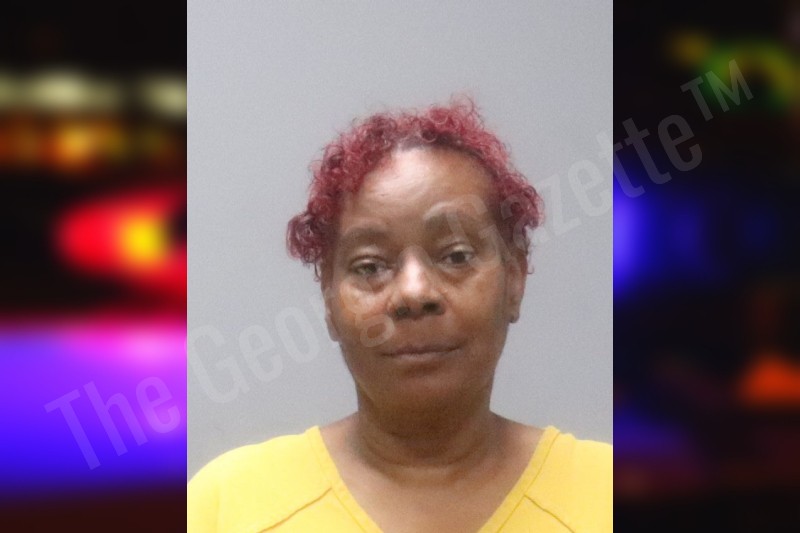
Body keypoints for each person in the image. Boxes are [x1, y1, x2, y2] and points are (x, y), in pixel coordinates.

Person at [188, 99, 612, 533]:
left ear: (515, 278)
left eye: (456, 255)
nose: (414, 292)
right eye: (369, 266)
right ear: (329, 300)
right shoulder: (227, 506)